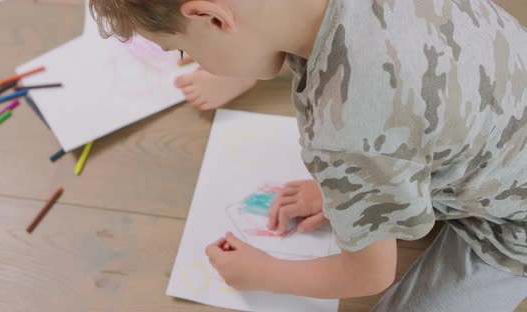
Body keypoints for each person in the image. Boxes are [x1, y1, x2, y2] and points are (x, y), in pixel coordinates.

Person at [89, 0, 527, 310]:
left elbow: (369, 275)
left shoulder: (345, 128)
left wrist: (263, 274)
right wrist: (354, 188)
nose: (193, 61)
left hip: (514, 224)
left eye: (185, 51)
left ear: (212, 17)